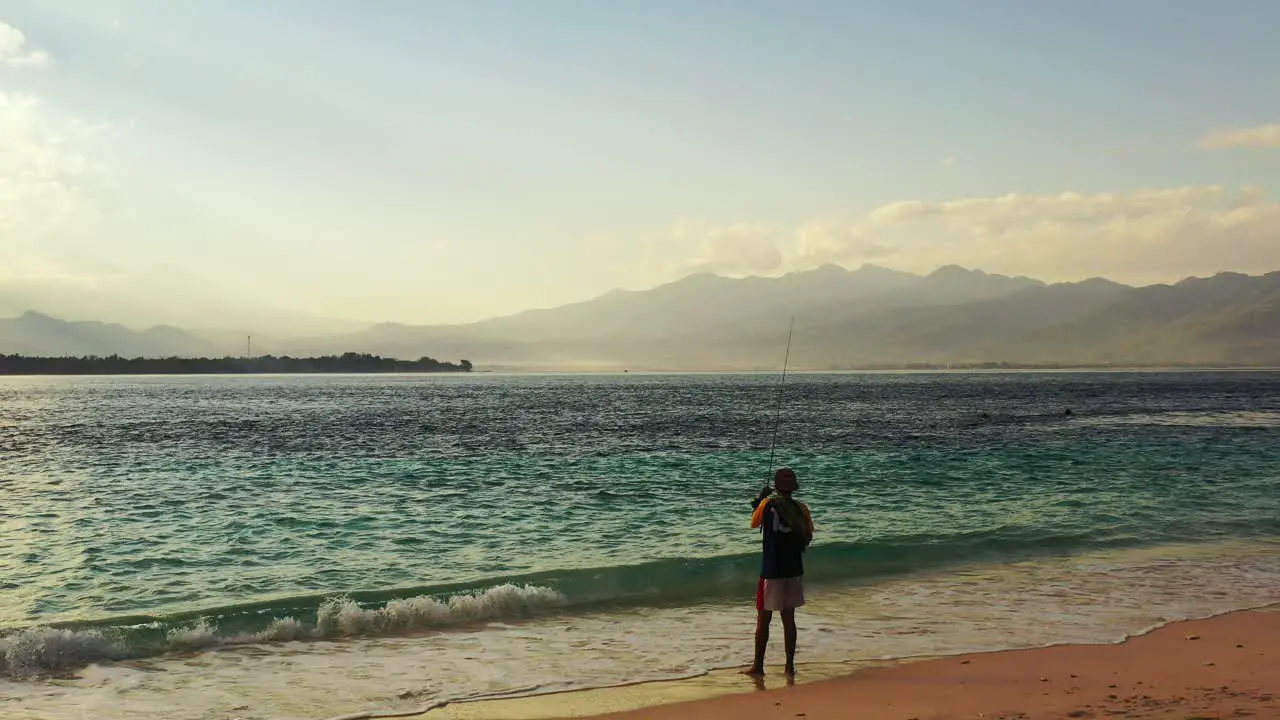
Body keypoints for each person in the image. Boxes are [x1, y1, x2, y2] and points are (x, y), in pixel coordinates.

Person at [744, 467, 814, 677]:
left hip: (771, 570)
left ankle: (758, 666)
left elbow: (753, 522)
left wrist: (760, 497)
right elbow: (808, 537)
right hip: (794, 569)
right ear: (793, 488)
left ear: (776, 486)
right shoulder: (801, 508)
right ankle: (789, 666)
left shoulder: (767, 504)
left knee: (763, 619)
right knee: (789, 618)